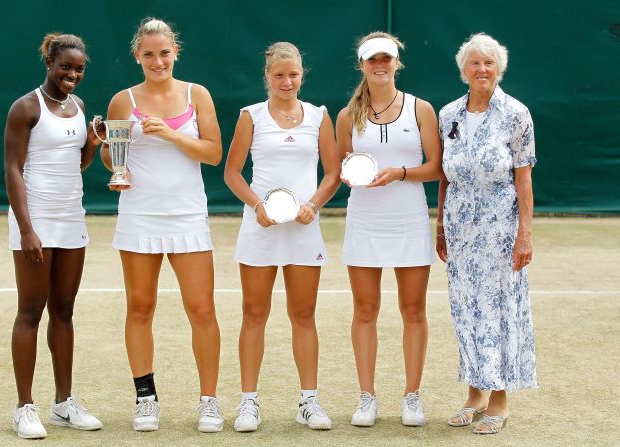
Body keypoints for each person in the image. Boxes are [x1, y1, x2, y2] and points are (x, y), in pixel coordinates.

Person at [99, 18, 223, 433]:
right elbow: (113, 158)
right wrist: (111, 155)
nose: (157, 61)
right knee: (140, 307)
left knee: (202, 309)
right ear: (138, 56)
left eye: (164, 53)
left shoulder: (197, 94)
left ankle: (209, 402)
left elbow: (212, 153)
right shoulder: (122, 101)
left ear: (175, 53)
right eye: (148, 54)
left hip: (188, 215)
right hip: (139, 215)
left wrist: (170, 135)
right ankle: (146, 398)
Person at [224, 42, 340, 432]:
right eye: (279, 75)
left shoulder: (319, 116)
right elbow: (233, 174)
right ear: (267, 77)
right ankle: (248, 403)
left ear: (302, 75)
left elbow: (332, 173)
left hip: (304, 232)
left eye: (293, 74)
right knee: (254, 315)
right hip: (260, 229)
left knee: (303, 315)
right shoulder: (250, 117)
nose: (286, 81)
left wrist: (314, 204)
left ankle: (309, 402)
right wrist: (258, 205)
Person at [335, 32, 442, 428]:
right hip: (364, 221)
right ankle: (367, 396)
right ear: (361, 64)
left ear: (397, 63)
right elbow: (338, 168)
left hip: (409, 220)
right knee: (365, 310)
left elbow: (435, 167)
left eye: (387, 58)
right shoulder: (347, 116)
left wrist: (400, 173)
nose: (380, 64)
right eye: (371, 59)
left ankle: (412, 396)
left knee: (413, 311)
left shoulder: (421, 109)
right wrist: (349, 175)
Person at [437, 32, 537, 435]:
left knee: (499, 311)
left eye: (489, 63)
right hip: (460, 232)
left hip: (501, 231)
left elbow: (525, 180)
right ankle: (474, 394)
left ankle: (499, 400)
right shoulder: (449, 115)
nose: (482, 70)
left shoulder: (517, 114)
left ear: (499, 69)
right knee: (465, 310)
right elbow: (444, 177)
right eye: (475, 63)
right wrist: (441, 226)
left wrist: (525, 234)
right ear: (464, 70)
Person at [4, 33, 103, 439]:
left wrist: (93, 144)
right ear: (49, 63)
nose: (72, 75)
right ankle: (24, 407)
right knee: (31, 310)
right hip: (35, 221)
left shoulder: (78, 106)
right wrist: (27, 228)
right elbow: (12, 168)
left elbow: (78, 163)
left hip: (70, 219)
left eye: (79, 69)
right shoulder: (25, 107)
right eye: (66, 67)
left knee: (64, 310)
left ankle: (64, 403)